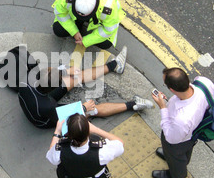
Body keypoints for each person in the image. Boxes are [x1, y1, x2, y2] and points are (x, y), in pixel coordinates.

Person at [18, 51, 154, 128]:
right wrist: (83, 108)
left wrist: (66, 71)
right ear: (51, 89)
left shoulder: (29, 78)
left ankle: (114, 65)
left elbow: (50, 73)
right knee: (92, 110)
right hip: (44, 119)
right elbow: (65, 116)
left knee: (74, 77)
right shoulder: (48, 106)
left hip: (38, 99)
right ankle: (133, 104)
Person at [46, 114, 124, 178]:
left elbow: (52, 157)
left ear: (69, 133)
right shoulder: (101, 151)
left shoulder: (61, 149)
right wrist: (96, 129)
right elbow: (120, 144)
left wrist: (57, 131)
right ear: (88, 132)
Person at [151, 67, 214, 178]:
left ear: (171, 89)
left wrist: (163, 107)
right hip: (193, 132)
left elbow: (171, 138)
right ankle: (178, 159)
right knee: (185, 152)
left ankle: (177, 175)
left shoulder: (182, 119)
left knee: (175, 155)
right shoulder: (204, 83)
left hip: (179, 141)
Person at [52, 0, 126, 49]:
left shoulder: (109, 8)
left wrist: (87, 41)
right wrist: (74, 31)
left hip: (102, 15)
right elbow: (60, 13)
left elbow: (108, 30)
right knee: (59, 30)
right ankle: (78, 24)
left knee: (105, 43)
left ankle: (80, 24)